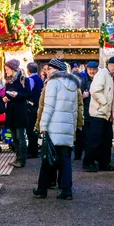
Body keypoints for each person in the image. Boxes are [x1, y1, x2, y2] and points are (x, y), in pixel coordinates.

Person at [34, 59, 82, 200]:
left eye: (49, 68)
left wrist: (43, 126)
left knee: (46, 159)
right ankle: (67, 191)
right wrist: (73, 128)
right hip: (67, 128)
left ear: (55, 69)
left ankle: (42, 190)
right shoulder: (73, 84)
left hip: (53, 128)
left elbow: (48, 107)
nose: (47, 71)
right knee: (65, 161)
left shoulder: (53, 83)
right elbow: (75, 110)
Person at [86, 56, 114, 171]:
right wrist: (105, 103)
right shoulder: (102, 74)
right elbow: (95, 91)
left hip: (107, 114)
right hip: (99, 113)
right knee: (95, 140)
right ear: (113, 65)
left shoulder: (112, 76)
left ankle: (104, 162)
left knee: (106, 140)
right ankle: (89, 162)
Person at [4, 60, 31, 168]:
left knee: (20, 137)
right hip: (11, 111)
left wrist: (18, 94)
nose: (6, 72)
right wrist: (6, 98)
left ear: (13, 69)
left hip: (20, 110)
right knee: (14, 137)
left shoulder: (24, 79)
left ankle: (22, 159)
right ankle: (17, 156)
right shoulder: (8, 81)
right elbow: (7, 93)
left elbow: (28, 94)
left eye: (7, 70)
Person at [75, 61, 96, 161]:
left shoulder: (99, 80)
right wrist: (83, 97)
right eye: (90, 69)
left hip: (96, 112)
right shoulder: (83, 81)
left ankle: (91, 156)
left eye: (94, 69)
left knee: (93, 136)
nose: (92, 71)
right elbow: (77, 98)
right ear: (87, 70)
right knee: (83, 135)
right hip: (85, 112)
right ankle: (79, 155)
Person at [26, 62, 44, 159]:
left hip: (32, 106)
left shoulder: (30, 79)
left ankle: (32, 151)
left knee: (30, 129)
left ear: (28, 70)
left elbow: (29, 92)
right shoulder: (39, 79)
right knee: (35, 129)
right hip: (38, 106)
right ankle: (35, 150)